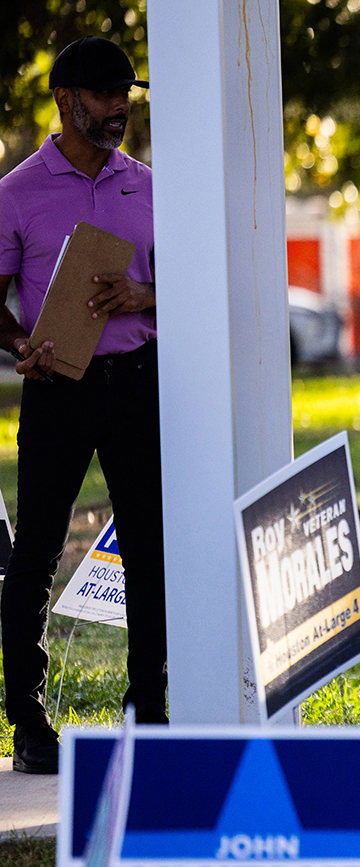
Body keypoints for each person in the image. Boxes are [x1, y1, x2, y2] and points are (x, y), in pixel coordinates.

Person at [0, 37, 163, 775]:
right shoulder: (17, 191)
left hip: (138, 382)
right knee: (34, 552)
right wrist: (17, 344)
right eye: (104, 94)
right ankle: (29, 725)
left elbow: (194, 281)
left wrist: (144, 294)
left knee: (151, 552)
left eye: (125, 92)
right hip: (56, 386)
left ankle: (147, 712)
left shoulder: (153, 186)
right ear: (66, 100)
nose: (119, 106)